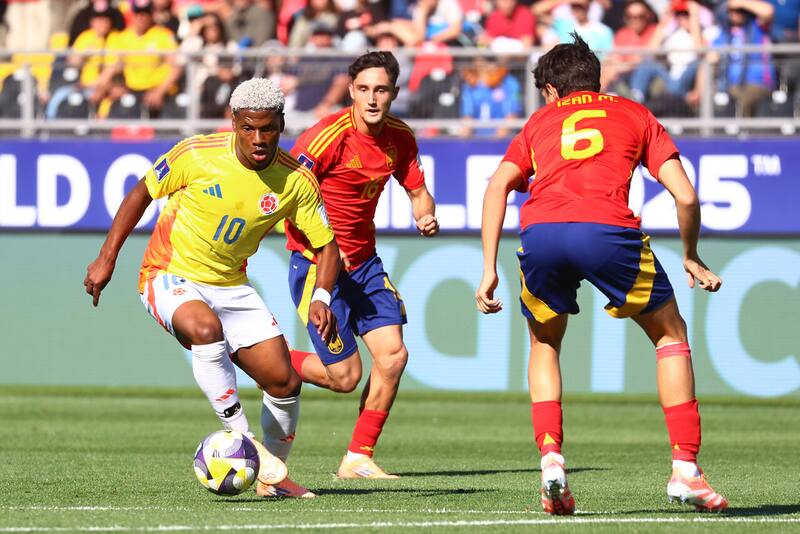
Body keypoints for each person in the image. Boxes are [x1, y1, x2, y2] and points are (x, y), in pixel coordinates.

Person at [476, 35, 728, 515]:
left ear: (550, 91)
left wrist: (488, 269)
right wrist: (691, 255)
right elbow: (687, 197)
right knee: (669, 336)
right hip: (607, 232)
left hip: (542, 232)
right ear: (596, 79)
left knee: (545, 344)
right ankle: (685, 469)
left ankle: (552, 460)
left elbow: (497, 188)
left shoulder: (538, 121)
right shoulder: (635, 114)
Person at [83, 78, 341, 499]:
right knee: (205, 330)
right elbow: (141, 193)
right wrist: (107, 256)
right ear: (234, 122)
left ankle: (272, 481)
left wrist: (322, 296)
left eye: (269, 128)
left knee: (284, 383)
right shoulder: (196, 153)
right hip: (168, 272)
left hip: (231, 284)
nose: (259, 139)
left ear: (281, 123)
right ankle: (246, 443)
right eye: (249, 128)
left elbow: (328, 247)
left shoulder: (295, 181)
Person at [285, 51, 439, 479]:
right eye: (365, 89)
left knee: (392, 357)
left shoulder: (401, 138)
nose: (372, 99)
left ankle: (357, 457)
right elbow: (289, 193)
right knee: (346, 377)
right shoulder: (325, 137)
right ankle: (271, 362)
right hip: (319, 264)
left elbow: (418, 190)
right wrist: (323, 243)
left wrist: (425, 213)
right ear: (351, 90)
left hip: (365, 264)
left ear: (394, 92)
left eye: (382, 90)